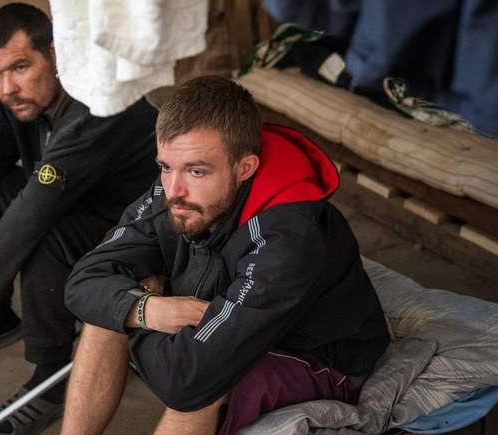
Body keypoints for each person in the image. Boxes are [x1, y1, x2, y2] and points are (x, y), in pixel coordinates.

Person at [62, 76, 390, 435]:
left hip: (317, 358)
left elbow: (184, 382)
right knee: (112, 307)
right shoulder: (176, 193)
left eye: (196, 171)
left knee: (203, 387)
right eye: (165, 166)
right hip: (221, 316)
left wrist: (134, 313)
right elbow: (83, 281)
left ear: (244, 168)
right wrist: (146, 309)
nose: (174, 190)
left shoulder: (288, 237)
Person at [0, 3, 158, 433]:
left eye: (19, 66)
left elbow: (29, 218)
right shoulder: (14, 99)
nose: (8, 86)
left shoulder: (95, 107)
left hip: (142, 231)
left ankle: (52, 375)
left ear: (55, 55)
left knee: (41, 230)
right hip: (77, 204)